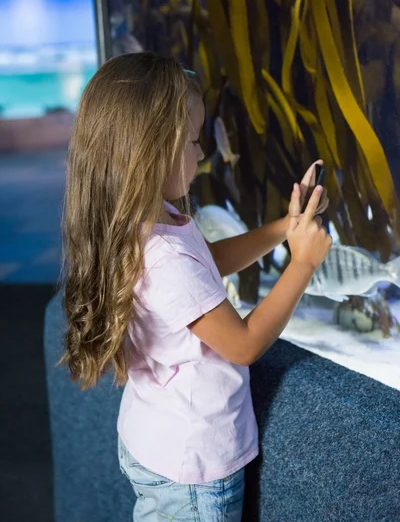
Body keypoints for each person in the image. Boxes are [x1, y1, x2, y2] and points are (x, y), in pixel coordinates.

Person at [60, 52, 332, 521]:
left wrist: (284, 229)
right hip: (191, 468)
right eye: (192, 140)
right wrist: (303, 264)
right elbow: (243, 345)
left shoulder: (148, 219)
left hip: (157, 436)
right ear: (150, 150)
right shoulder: (162, 256)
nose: (202, 153)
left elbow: (209, 265)